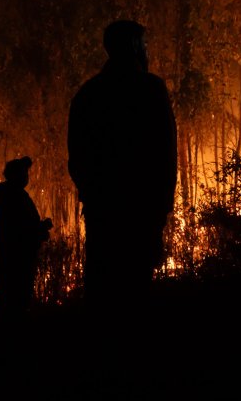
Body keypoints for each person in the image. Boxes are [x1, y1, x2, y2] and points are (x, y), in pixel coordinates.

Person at [67, 19, 178, 309]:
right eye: (143, 45)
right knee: (137, 292)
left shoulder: (88, 95)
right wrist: (161, 207)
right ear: (132, 47)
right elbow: (165, 153)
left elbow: (76, 158)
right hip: (141, 213)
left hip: (103, 214)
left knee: (104, 295)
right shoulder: (151, 89)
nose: (146, 51)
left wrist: (94, 194)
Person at [0, 156, 52, 327]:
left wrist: (39, 229)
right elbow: (18, 230)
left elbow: (21, 227)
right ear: (16, 175)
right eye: (24, 173)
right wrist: (40, 230)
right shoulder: (12, 196)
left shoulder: (7, 194)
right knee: (15, 302)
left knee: (12, 301)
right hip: (16, 258)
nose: (27, 177)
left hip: (12, 255)